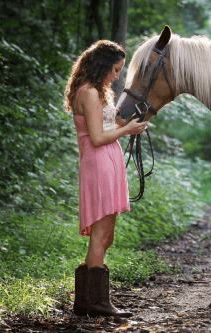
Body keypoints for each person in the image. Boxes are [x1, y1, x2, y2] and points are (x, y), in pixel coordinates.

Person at [64, 40, 147, 318]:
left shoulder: (100, 92)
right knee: (100, 236)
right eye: (114, 69)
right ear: (101, 66)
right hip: (98, 163)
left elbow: (109, 126)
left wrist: (131, 124)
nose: (116, 76)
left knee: (106, 235)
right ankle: (96, 302)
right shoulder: (87, 92)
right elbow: (98, 138)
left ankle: (86, 300)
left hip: (108, 162)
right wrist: (126, 132)